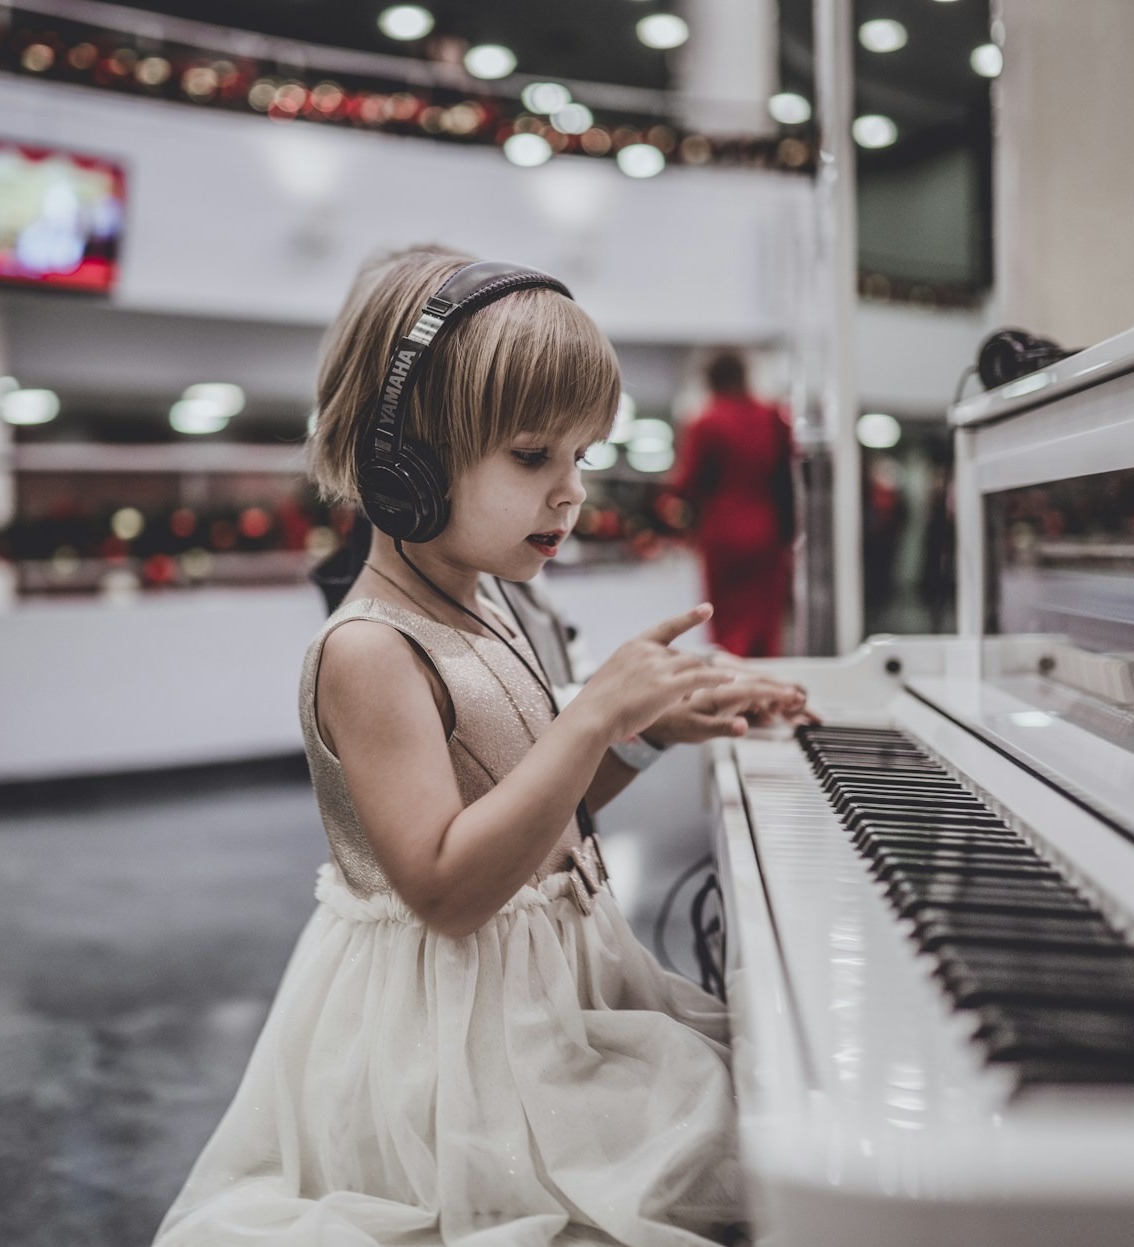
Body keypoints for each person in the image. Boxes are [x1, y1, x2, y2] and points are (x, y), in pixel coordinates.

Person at [153, 246, 811, 1247]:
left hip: (546, 993)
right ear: (404, 463)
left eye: (583, 455)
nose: (572, 492)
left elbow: (532, 811)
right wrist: (592, 713)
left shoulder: (495, 598)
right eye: (534, 455)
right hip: (455, 1051)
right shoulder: (371, 648)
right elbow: (450, 886)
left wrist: (641, 736)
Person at [674, 353, 795, 658]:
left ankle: (731, 692)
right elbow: (787, 479)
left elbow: (689, 482)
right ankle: (766, 693)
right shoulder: (773, 416)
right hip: (767, 532)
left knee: (727, 625)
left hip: (723, 533)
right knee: (765, 622)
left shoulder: (707, 421)